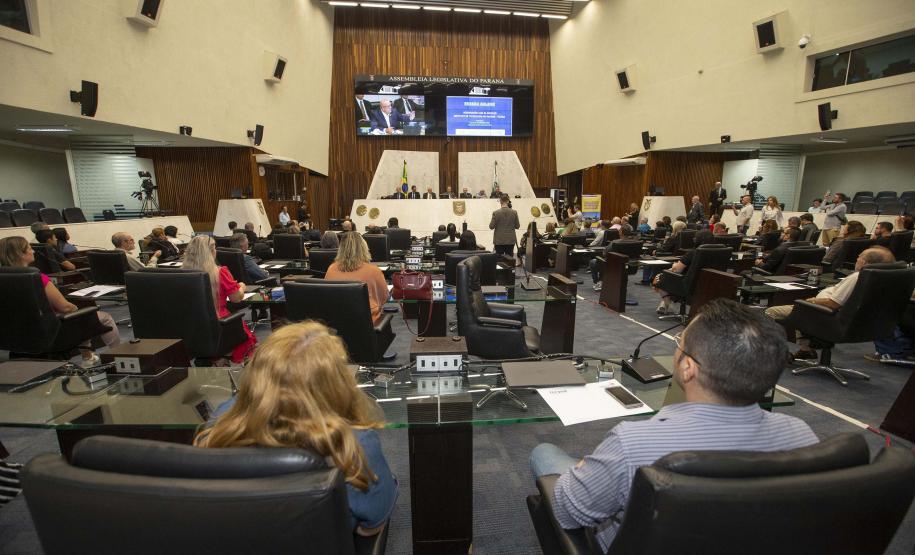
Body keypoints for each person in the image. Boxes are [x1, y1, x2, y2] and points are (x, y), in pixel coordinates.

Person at [530, 299, 817, 552]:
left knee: (544, 453)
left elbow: (567, 513)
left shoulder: (632, 443)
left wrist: (583, 468)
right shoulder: (802, 435)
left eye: (680, 341)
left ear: (687, 367)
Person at [195, 321, 397, 536]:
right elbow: (371, 526)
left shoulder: (222, 421)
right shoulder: (354, 445)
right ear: (336, 381)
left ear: (257, 372)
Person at [0, 236, 120, 367]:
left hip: (16, 335)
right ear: (20, 253)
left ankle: (88, 357)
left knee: (82, 317)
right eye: (29, 248)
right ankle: (118, 356)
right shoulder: (37, 278)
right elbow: (66, 308)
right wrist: (77, 310)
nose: (33, 252)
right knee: (99, 317)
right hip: (50, 332)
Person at [767, 246, 895, 359]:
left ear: (865, 262)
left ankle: (777, 352)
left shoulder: (857, 277)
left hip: (827, 315)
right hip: (847, 321)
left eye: (860, 256)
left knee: (772, 312)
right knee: (801, 309)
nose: (857, 257)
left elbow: (833, 303)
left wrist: (810, 300)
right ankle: (806, 350)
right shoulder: (878, 278)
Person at [183, 235, 256, 363]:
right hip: (220, 325)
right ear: (211, 251)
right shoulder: (220, 272)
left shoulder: (181, 275)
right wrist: (241, 287)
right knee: (247, 340)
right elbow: (236, 299)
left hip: (191, 328)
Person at [326, 232, 389, 324]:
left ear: (340, 249)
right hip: (368, 324)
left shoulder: (331, 269)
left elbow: (328, 298)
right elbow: (384, 298)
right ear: (364, 248)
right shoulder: (374, 271)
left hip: (337, 324)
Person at [655, 230, 714, 315]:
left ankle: (669, 305)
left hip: (688, 285)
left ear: (696, 240)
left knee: (659, 277)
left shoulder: (694, 252)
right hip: (707, 284)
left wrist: (674, 266)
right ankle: (665, 304)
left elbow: (677, 270)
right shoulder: (719, 251)